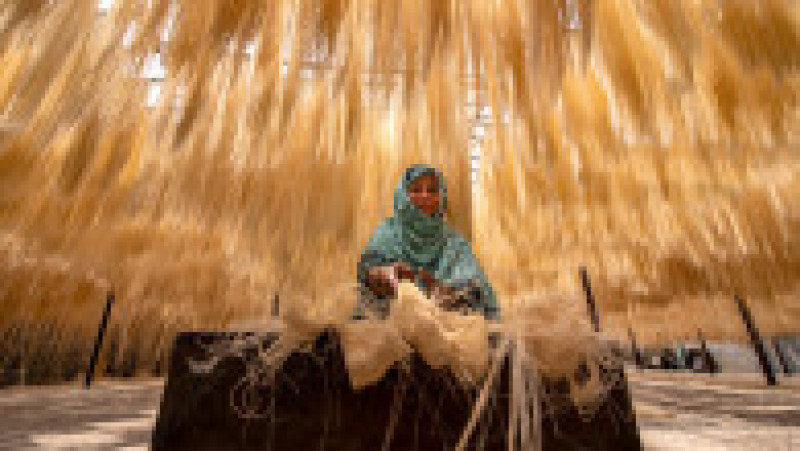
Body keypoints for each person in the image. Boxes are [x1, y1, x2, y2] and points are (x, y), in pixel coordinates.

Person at [356, 164, 499, 319]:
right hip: (391, 322)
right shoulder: (387, 233)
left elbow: (476, 287)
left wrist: (442, 291)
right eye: (416, 190)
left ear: (441, 196)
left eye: (432, 190)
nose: (425, 196)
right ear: (403, 195)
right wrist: (386, 275)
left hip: (448, 326)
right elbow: (366, 273)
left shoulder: (454, 242)